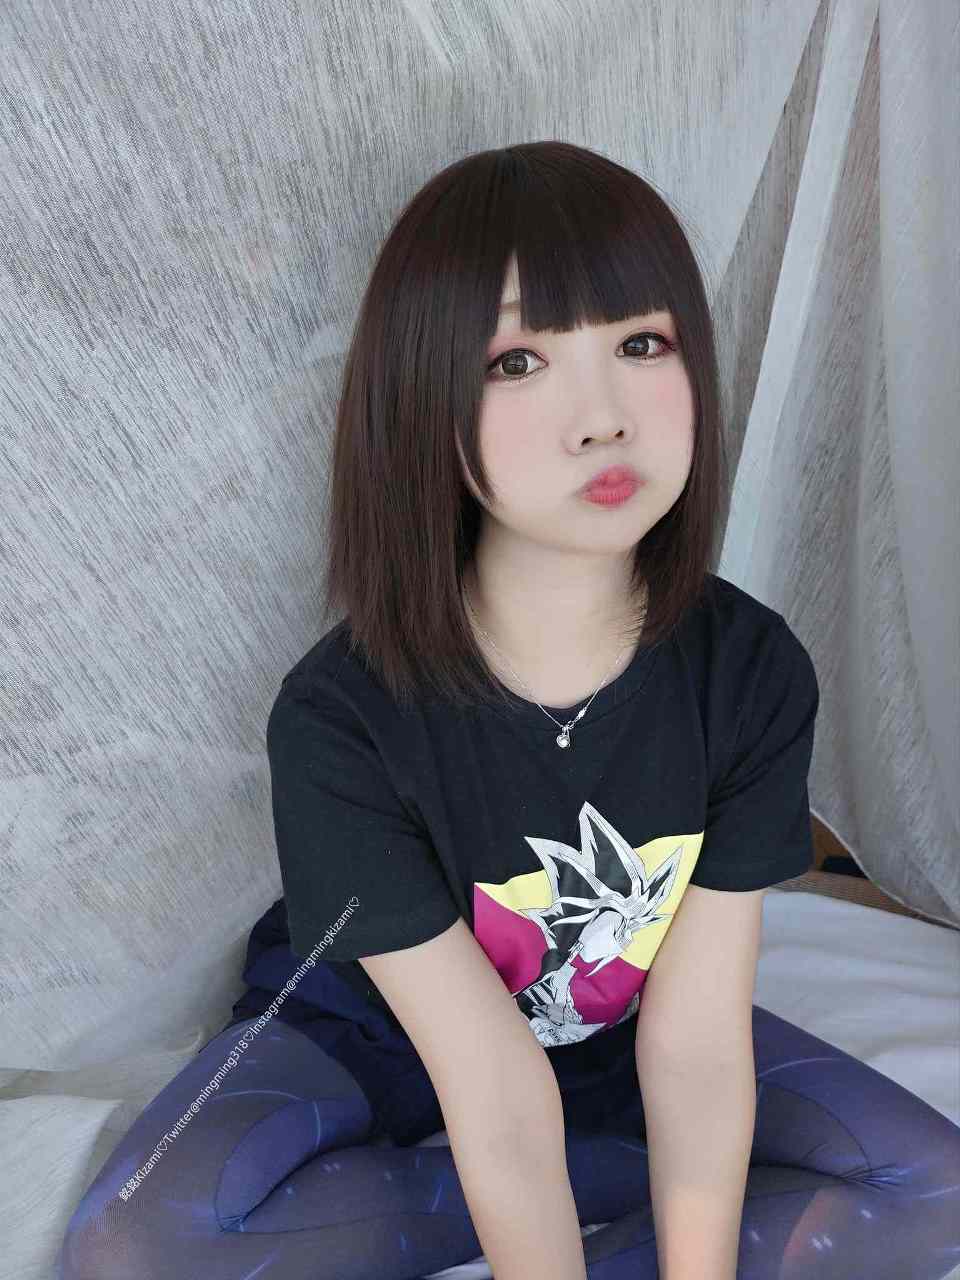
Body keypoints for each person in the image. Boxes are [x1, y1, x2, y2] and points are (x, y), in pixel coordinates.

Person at [57, 141, 960, 1280]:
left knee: (937, 1187)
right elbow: (486, 1078)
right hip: (368, 1030)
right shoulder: (340, 717)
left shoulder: (751, 670)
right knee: (134, 1241)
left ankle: (552, 1184)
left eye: (642, 344)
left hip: (617, 1034)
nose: (602, 418)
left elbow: (693, 1040)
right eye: (519, 360)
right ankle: (563, 1184)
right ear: (424, 402)